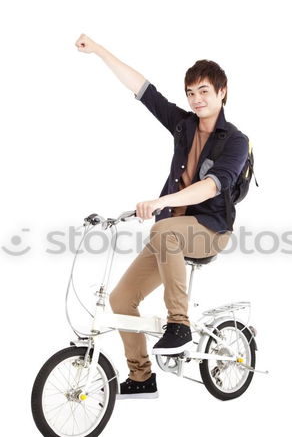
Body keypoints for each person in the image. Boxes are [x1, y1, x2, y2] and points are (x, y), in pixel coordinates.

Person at [75, 34, 248, 399]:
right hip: (167, 234)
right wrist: (99, 51)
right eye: (190, 93)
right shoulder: (184, 125)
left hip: (211, 230)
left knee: (165, 228)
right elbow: (143, 90)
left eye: (204, 91)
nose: (196, 99)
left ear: (222, 92)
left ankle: (180, 324)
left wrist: (160, 200)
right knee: (121, 301)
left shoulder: (235, 140)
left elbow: (212, 187)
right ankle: (141, 378)